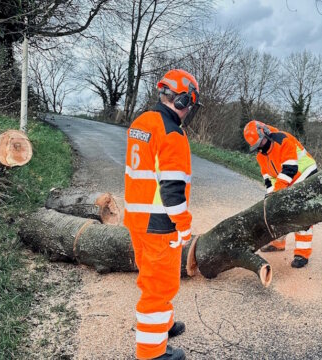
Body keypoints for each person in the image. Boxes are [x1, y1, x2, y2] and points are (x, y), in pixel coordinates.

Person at [124, 69, 201, 360]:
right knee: (158, 288)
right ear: (182, 101)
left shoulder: (142, 122)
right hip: (160, 223)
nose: (189, 110)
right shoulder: (173, 133)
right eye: (189, 104)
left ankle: (163, 326)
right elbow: (172, 190)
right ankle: (151, 352)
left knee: (150, 278)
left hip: (137, 219)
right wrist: (184, 225)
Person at [243, 120, 318, 268]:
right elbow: (268, 178)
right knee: (278, 211)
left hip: (305, 175)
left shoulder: (283, 140)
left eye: (261, 142)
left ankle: (302, 254)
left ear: (264, 132)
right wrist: (272, 196)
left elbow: (290, 168)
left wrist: (277, 192)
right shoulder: (260, 155)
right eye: (257, 145)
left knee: (301, 215)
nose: (261, 147)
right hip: (286, 179)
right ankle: (278, 242)